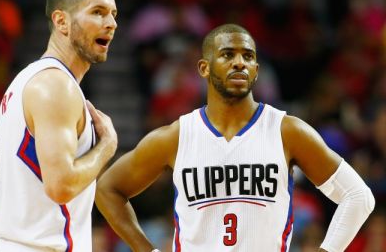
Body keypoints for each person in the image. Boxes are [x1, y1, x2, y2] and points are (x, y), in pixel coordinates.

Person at [95, 23, 375, 252]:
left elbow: (359, 196)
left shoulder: (287, 131)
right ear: (204, 68)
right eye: (228, 54)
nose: (239, 62)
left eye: (248, 56)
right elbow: (108, 189)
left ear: (256, 70)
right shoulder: (176, 137)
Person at [0, 0, 118, 251]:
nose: (111, 23)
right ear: (61, 21)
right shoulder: (55, 85)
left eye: (114, 14)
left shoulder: (27, 81)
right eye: (98, 12)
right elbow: (61, 186)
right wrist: (107, 146)